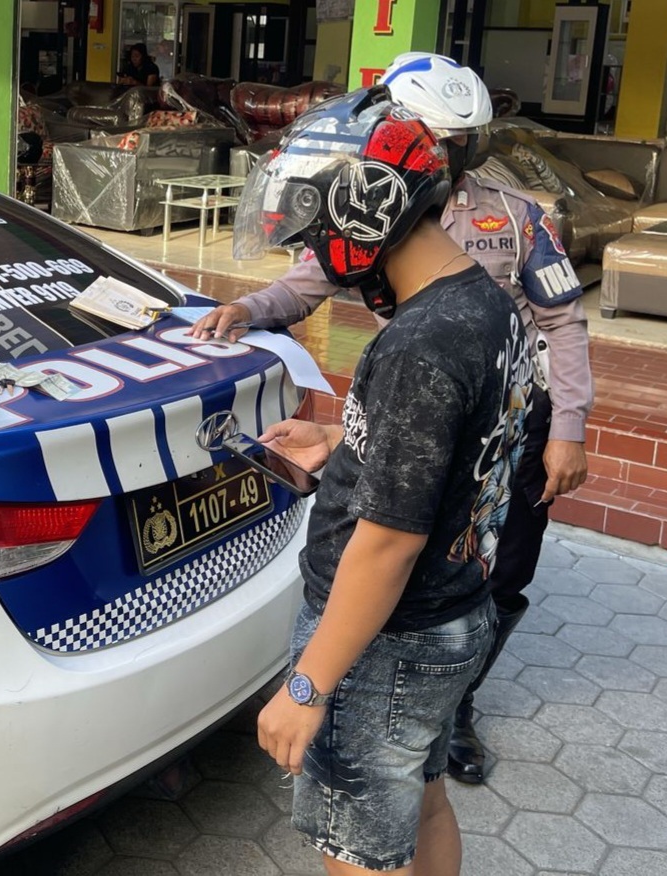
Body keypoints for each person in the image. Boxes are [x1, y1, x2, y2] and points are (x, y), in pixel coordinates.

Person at [193, 52, 593, 786]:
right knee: (445, 566)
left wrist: (567, 426)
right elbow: (304, 280)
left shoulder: (513, 218)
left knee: (492, 566)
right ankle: (430, 713)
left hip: (503, 418)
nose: (449, 151)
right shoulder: (370, 208)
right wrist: (245, 311)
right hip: (425, 413)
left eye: (459, 139)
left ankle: (451, 706)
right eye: (435, 135)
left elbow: (561, 326)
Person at [242, 86, 533, 874]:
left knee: (356, 850)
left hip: (385, 641)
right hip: (451, 615)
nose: (315, 255)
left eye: (316, 233)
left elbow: (387, 544)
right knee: (421, 796)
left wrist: (307, 686)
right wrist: (343, 440)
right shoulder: (483, 302)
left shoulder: (417, 344)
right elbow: (458, 443)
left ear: (365, 212)